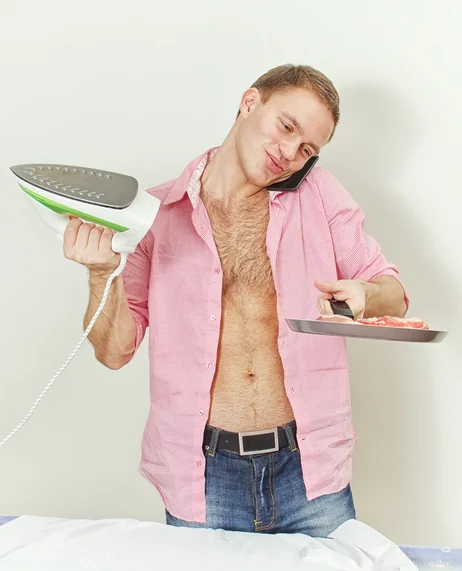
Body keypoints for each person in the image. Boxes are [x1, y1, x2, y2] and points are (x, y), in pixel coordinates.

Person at [63, 64, 408, 537]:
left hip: (309, 470)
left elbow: (394, 293)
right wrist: (103, 273)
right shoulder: (154, 215)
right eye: (287, 127)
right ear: (250, 102)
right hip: (204, 476)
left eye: (308, 148)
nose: (290, 153)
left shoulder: (320, 196)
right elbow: (113, 351)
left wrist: (368, 293)